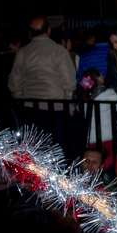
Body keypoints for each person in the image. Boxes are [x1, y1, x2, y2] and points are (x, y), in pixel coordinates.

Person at [8, 16, 77, 156]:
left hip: (30, 107)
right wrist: (70, 104)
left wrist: (22, 98)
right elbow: (69, 81)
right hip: (56, 106)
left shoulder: (22, 53)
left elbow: (14, 82)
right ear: (49, 30)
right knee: (57, 148)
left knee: (34, 149)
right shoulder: (59, 51)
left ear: (30, 33)